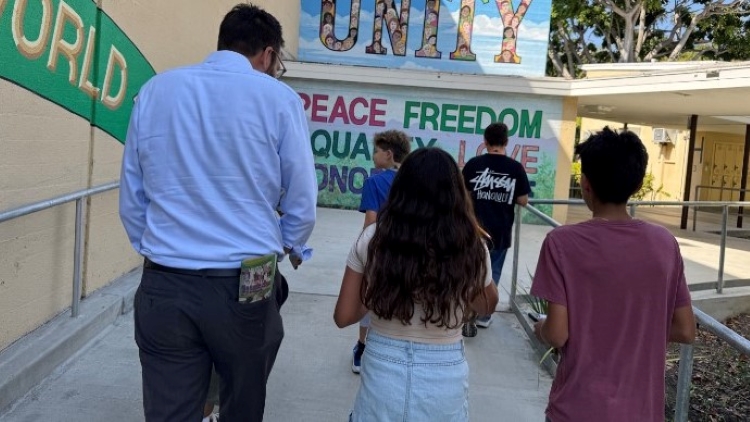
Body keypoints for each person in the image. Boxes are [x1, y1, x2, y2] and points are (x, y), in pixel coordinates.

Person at [119, 4, 317, 421]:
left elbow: (133, 194)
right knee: (243, 403)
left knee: (169, 410)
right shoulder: (279, 99)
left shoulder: (157, 90)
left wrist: (158, 248)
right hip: (247, 280)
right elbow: (301, 198)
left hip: (165, 280)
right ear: (267, 54)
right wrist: (283, 245)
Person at [530, 127, 696, 422]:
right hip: (642, 412)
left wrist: (540, 327)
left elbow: (557, 334)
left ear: (586, 184)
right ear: (635, 184)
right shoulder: (664, 244)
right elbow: (685, 329)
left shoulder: (562, 243)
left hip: (577, 409)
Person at [334, 147, 499, 421]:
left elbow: (343, 316)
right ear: (456, 194)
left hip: (382, 373)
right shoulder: (470, 244)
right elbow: (486, 304)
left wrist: (384, 284)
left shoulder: (373, 239)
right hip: (445, 374)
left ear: (401, 188)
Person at [350, 130, 411, 374]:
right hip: (409, 251)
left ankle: (362, 347)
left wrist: (361, 251)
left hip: (381, 250)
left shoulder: (374, 182)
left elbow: (371, 222)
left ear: (388, 154)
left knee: (368, 296)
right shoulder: (413, 182)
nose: (373, 154)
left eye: (376, 150)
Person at [461, 123, 530, 336]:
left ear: (485, 142)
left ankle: (465, 311)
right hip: (500, 231)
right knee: (493, 273)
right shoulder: (515, 168)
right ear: (506, 142)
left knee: (469, 271)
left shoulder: (473, 164)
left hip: (473, 231)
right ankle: (484, 314)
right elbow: (523, 200)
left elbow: (461, 194)